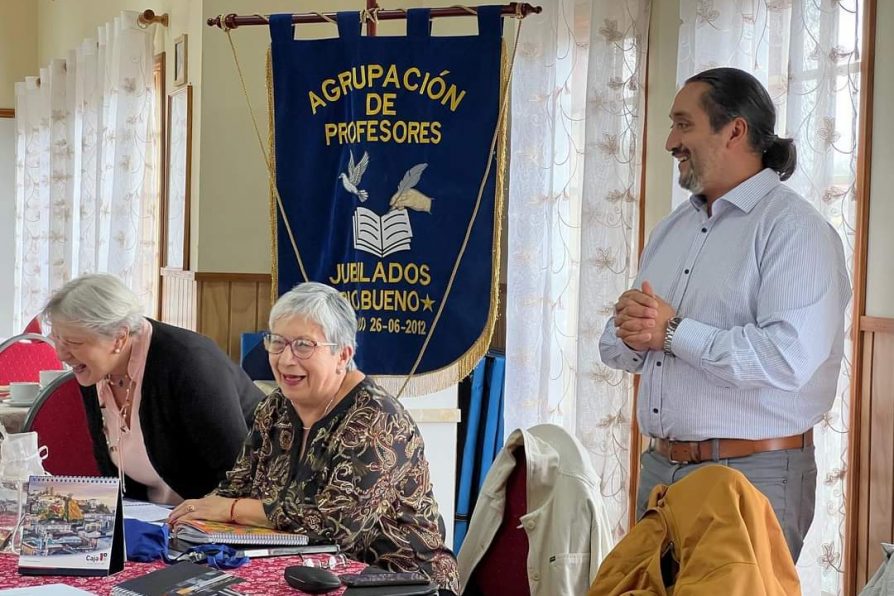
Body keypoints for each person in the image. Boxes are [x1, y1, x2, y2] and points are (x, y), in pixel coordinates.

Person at [599, 67, 851, 562]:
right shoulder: (673, 229)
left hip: (750, 476)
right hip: (659, 474)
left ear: (735, 130)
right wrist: (632, 331)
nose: (671, 141)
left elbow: (786, 359)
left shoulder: (795, 230)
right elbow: (618, 347)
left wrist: (670, 330)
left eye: (683, 124)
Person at [168, 282, 459, 594]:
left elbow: (335, 525)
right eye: (277, 343)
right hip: (307, 571)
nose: (286, 359)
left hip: (399, 581)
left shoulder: (376, 419)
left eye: (304, 346)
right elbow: (232, 489)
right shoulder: (276, 407)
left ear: (342, 355)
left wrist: (233, 510)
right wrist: (198, 517)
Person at [43, 274, 263, 505]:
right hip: (159, 520)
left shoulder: (188, 363)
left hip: (228, 519)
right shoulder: (95, 370)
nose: (60, 354)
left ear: (119, 339)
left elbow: (239, 474)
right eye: (56, 339)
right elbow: (114, 475)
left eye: (74, 343)